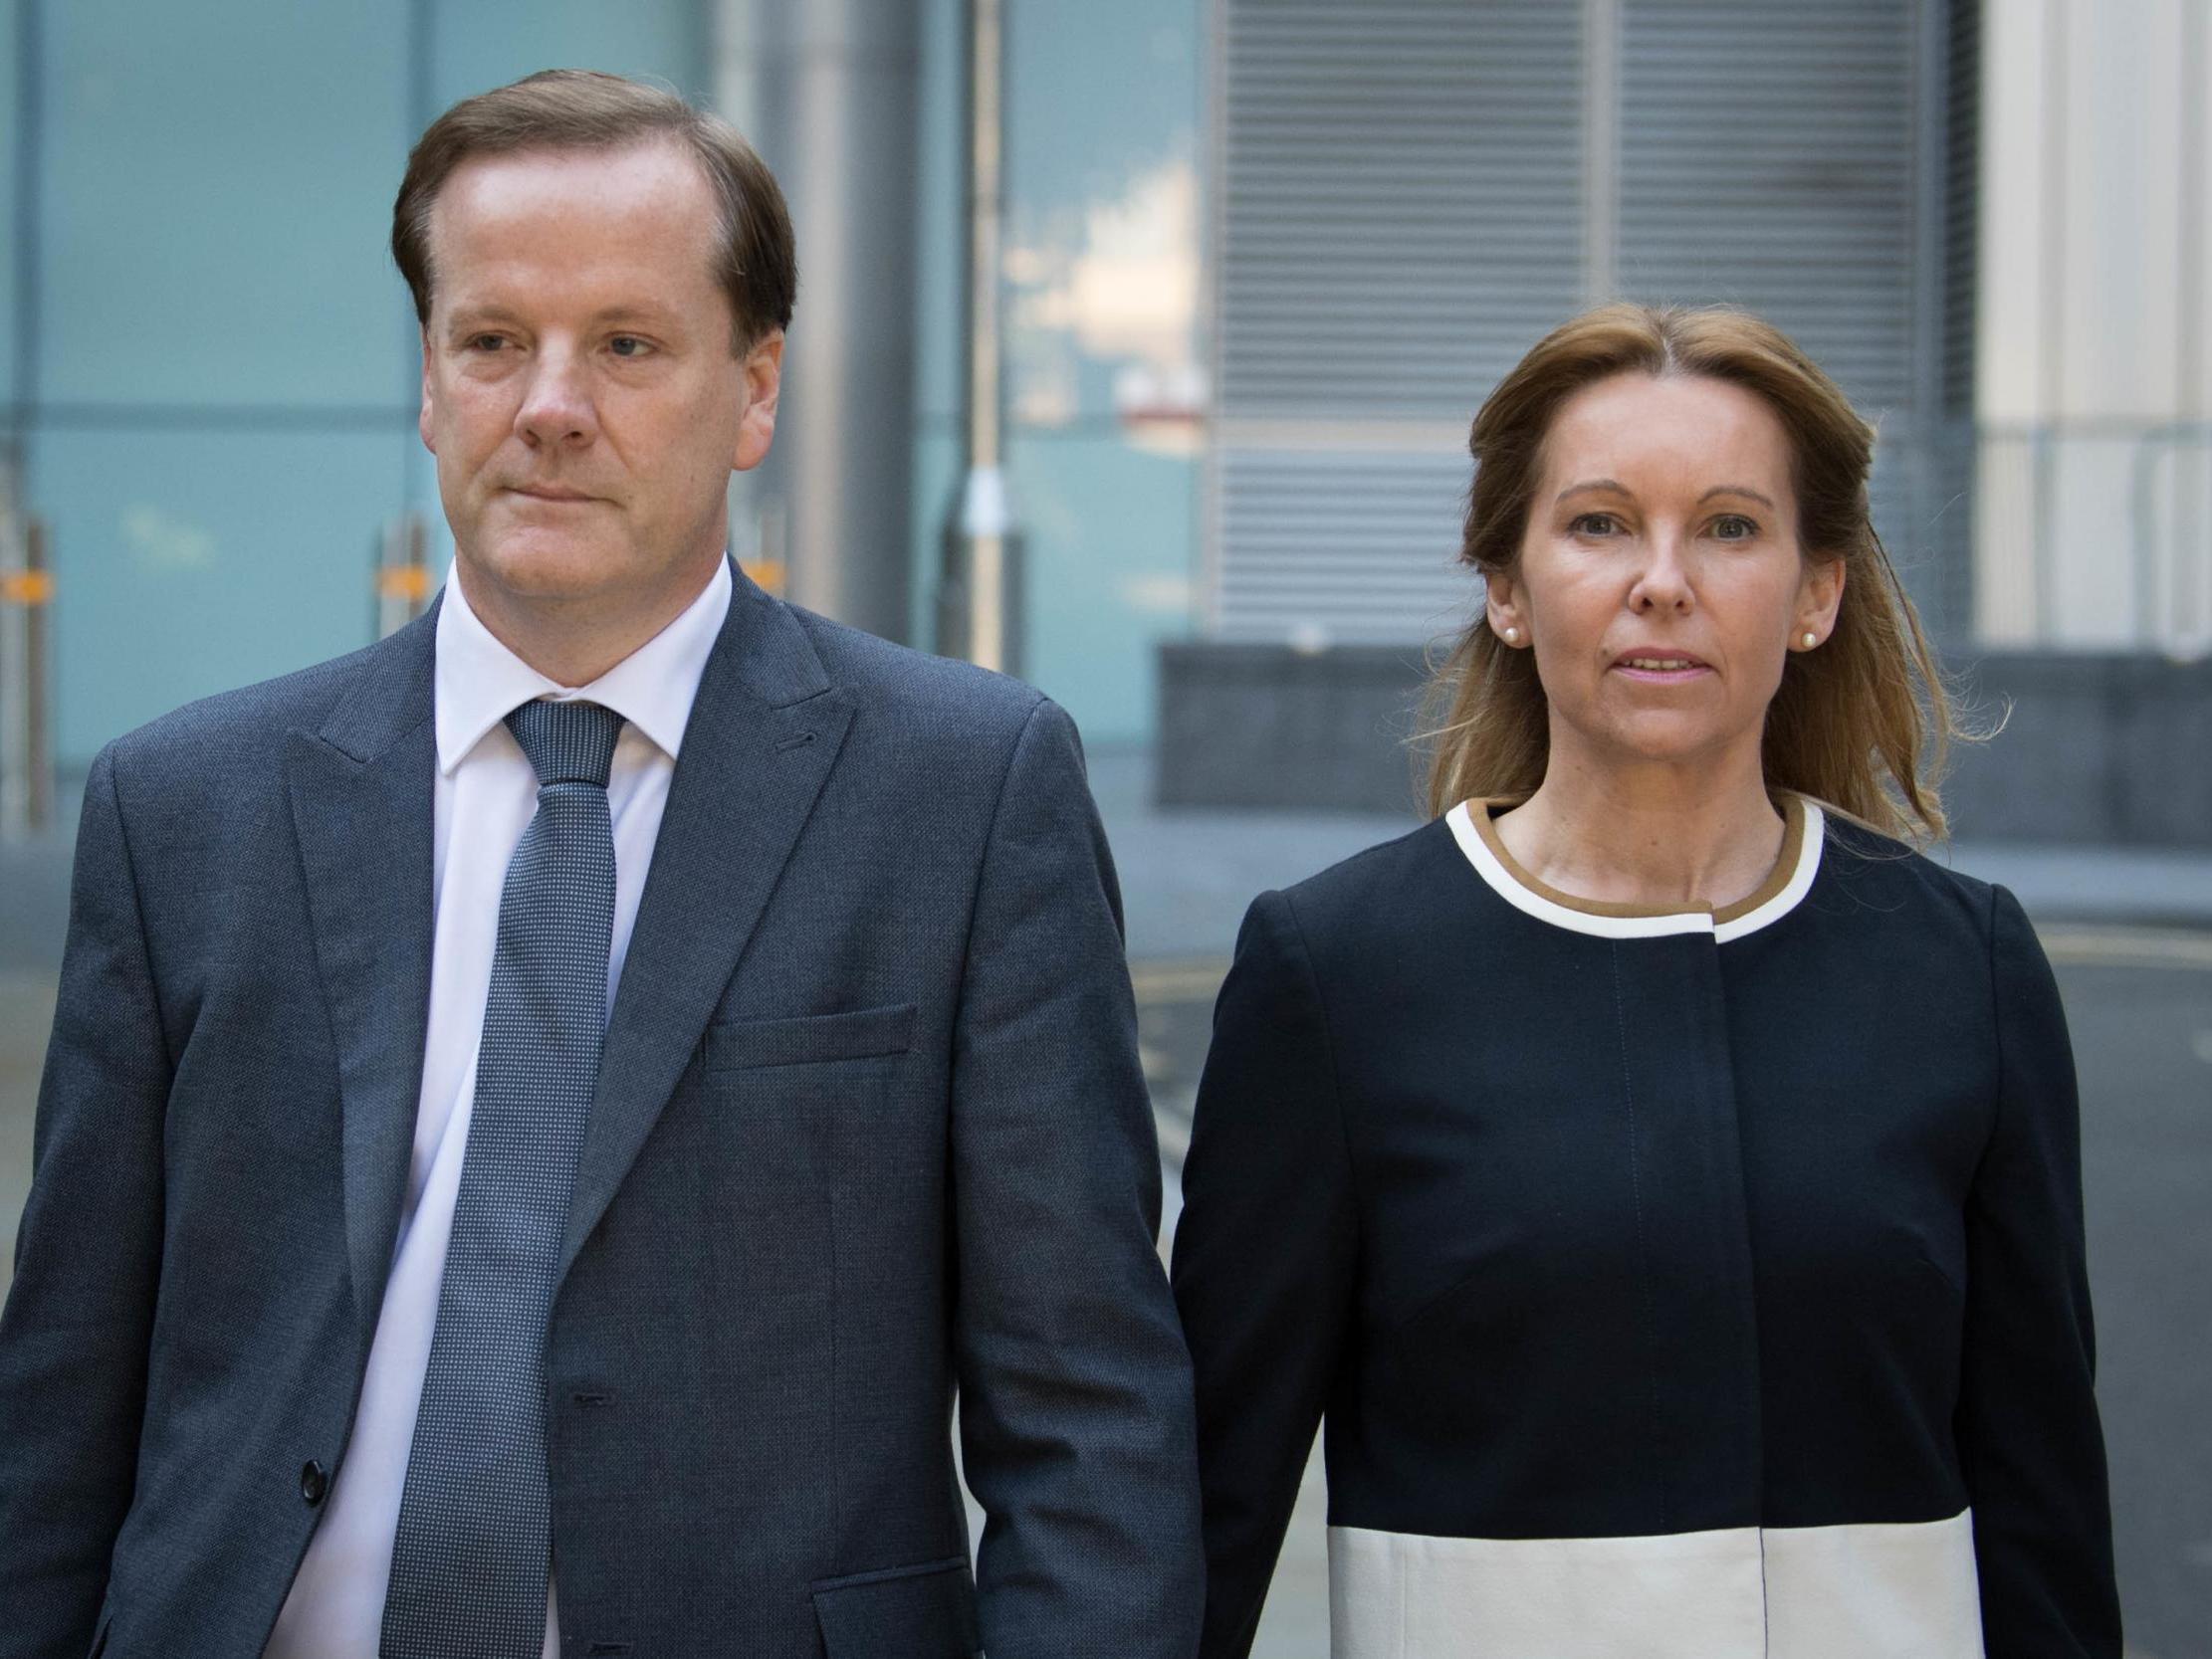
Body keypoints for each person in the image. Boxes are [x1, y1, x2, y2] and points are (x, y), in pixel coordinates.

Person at [0, 70, 1202, 1659]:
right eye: (492, 341)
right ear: (430, 382)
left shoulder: (963, 795)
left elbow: (1087, 1421)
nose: (547, 405)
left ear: (755, 389)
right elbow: (63, 1401)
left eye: (627, 346)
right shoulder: (186, 810)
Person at [1171, 304, 2121, 1658]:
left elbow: (2043, 1507)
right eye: (1598, 523)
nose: (1660, 581)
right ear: (1505, 584)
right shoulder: (1339, 975)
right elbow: (1210, 1496)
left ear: (1815, 592)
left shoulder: (1959, 969)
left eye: (1729, 527)